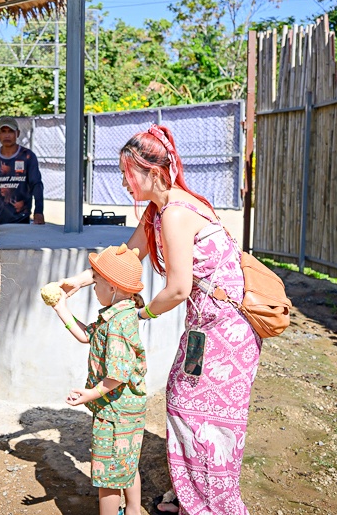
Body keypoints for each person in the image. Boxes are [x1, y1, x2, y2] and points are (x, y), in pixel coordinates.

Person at [60, 124, 260, 515]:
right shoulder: (158, 211)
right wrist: (80, 282)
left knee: (201, 419)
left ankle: (212, 506)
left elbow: (179, 288)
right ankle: (191, 500)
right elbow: (128, 253)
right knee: (184, 407)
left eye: (125, 173)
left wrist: (140, 312)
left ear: (151, 171)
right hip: (205, 328)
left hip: (225, 333)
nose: (122, 182)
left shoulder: (175, 213)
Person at [49, 243, 148, 515]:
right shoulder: (121, 315)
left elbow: (117, 376)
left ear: (113, 287)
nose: (93, 287)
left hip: (114, 412)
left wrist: (89, 394)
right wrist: (61, 307)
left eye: (96, 281)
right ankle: (134, 511)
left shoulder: (117, 324)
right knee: (127, 464)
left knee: (107, 478)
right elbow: (86, 336)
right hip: (128, 411)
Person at [0, 116, 45, 224]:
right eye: (3, 131)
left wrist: (38, 211)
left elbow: (36, 184)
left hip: (23, 221)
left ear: (18, 133)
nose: (7, 135)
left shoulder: (28, 157)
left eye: (11, 131)